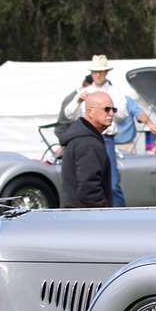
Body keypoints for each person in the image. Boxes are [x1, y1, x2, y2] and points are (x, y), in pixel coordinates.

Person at [61, 55, 129, 206]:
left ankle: (118, 213)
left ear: (106, 73)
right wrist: (79, 100)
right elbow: (68, 113)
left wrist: (107, 106)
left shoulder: (115, 91)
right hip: (88, 136)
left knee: (112, 184)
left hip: (107, 138)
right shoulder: (84, 91)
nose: (98, 75)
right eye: (95, 72)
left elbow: (123, 114)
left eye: (101, 71)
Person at [60, 89, 114, 208]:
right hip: (85, 218)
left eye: (113, 109)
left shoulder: (83, 137)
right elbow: (89, 187)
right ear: (90, 112)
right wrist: (103, 213)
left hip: (77, 216)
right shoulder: (88, 143)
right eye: (106, 109)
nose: (111, 114)